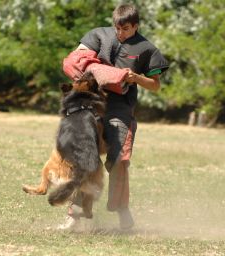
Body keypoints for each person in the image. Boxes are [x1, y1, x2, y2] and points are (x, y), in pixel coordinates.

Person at [58, 3, 169, 230]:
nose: (120, 33)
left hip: (120, 109)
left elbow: (155, 86)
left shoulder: (147, 49)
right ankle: (75, 213)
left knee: (119, 160)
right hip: (91, 106)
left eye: (126, 29)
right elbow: (79, 56)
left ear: (135, 26)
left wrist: (136, 78)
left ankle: (121, 209)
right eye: (117, 28)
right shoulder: (98, 35)